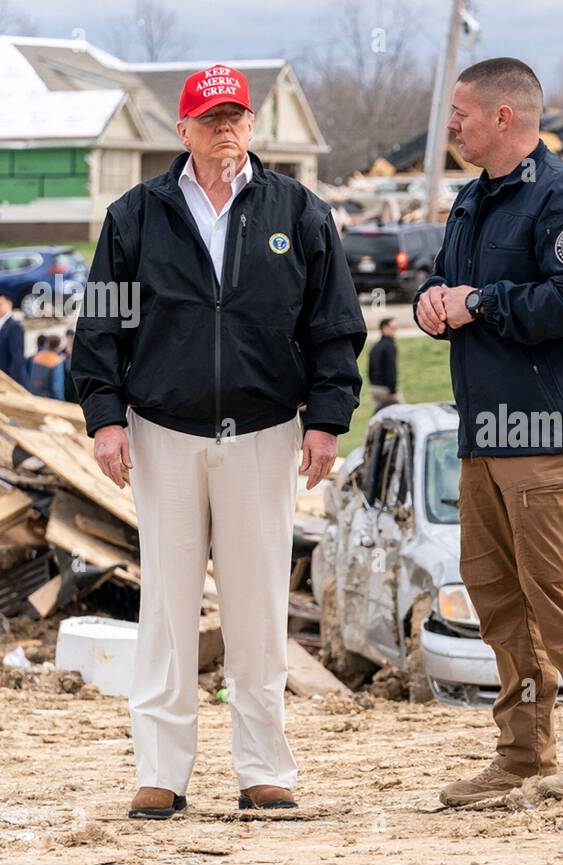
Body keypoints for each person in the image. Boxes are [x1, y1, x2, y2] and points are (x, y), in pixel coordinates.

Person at [71, 63, 366, 821]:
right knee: (168, 609)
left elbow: (333, 325)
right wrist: (104, 415)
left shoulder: (299, 211)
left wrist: (328, 418)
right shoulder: (135, 215)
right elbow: (100, 325)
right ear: (184, 130)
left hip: (266, 432)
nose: (225, 129)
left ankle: (264, 767)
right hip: (162, 431)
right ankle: (161, 772)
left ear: (252, 125)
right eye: (210, 118)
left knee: (258, 605)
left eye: (236, 116)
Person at [412, 57, 563, 806]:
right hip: (485, 436)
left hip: (550, 437)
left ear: (504, 118)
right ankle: (521, 755)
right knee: (499, 601)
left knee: (559, 599)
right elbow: (446, 285)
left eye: (462, 114)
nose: (451, 126)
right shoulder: (472, 203)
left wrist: (482, 302)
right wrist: (431, 306)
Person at [368, 317, 401, 411]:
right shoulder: (389, 347)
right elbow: (391, 370)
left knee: (378, 417)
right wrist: (393, 390)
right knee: (401, 414)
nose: (395, 330)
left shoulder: (375, 347)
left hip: (375, 388)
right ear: (384, 328)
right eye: (393, 327)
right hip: (386, 389)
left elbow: (370, 370)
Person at [27, 333, 67, 400]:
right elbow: (57, 387)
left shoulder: (36, 357)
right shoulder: (56, 361)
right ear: (58, 346)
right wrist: (61, 401)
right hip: (49, 399)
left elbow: (29, 377)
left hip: (34, 395)